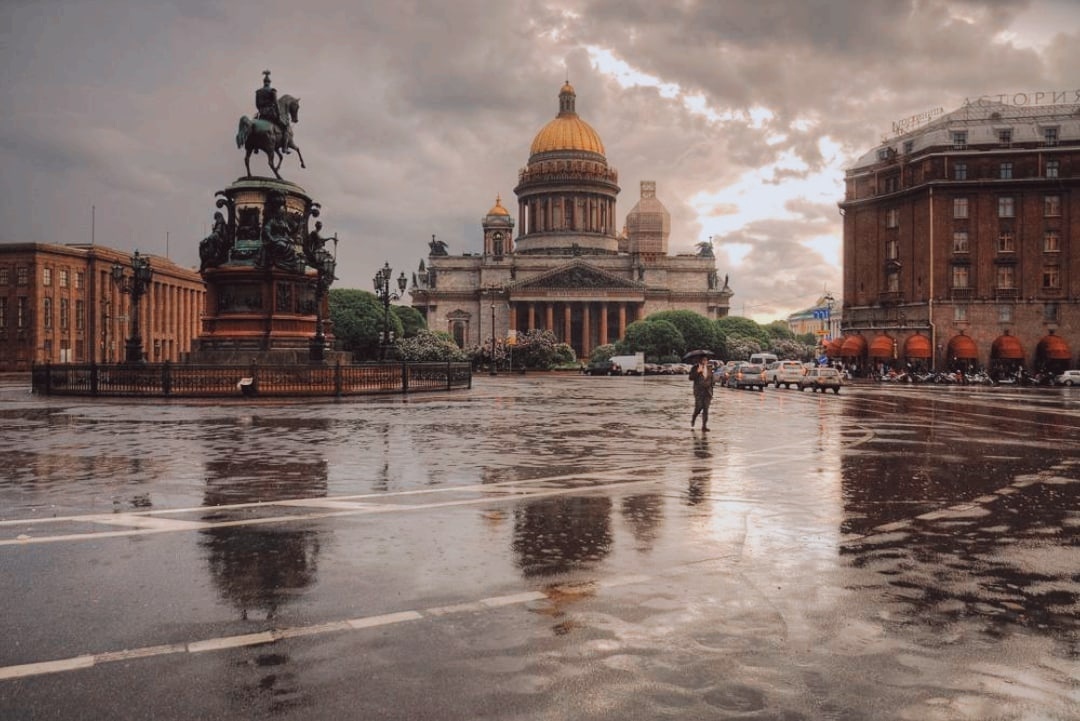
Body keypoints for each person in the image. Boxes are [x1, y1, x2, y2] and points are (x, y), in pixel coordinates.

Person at [689, 356, 715, 431]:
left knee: (706, 409)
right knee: (699, 407)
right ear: (700, 361)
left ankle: (704, 426)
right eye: (703, 360)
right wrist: (698, 371)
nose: (705, 361)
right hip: (699, 392)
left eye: (706, 360)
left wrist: (712, 385)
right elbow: (690, 377)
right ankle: (693, 418)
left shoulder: (709, 368)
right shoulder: (695, 368)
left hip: (708, 392)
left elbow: (712, 378)